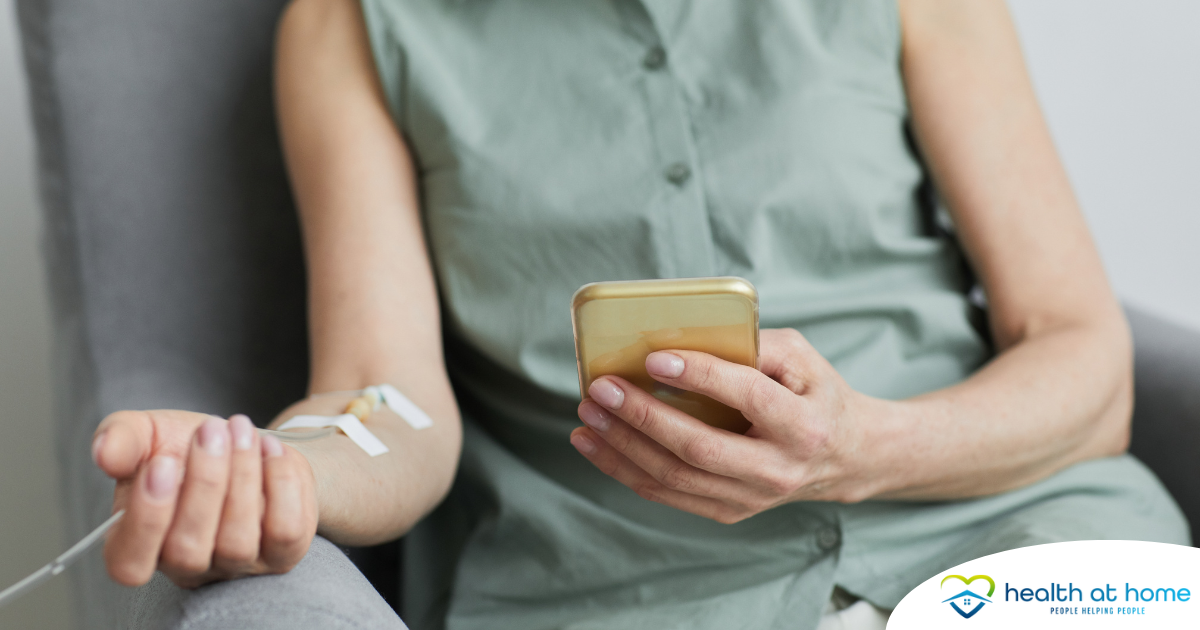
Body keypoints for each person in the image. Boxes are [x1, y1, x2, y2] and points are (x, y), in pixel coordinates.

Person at [89, 0, 1189, 628]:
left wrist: (866, 449)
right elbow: (384, 399)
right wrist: (281, 470)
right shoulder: (352, 26)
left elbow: (1084, 362)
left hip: (1023, 543)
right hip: (623, 598)